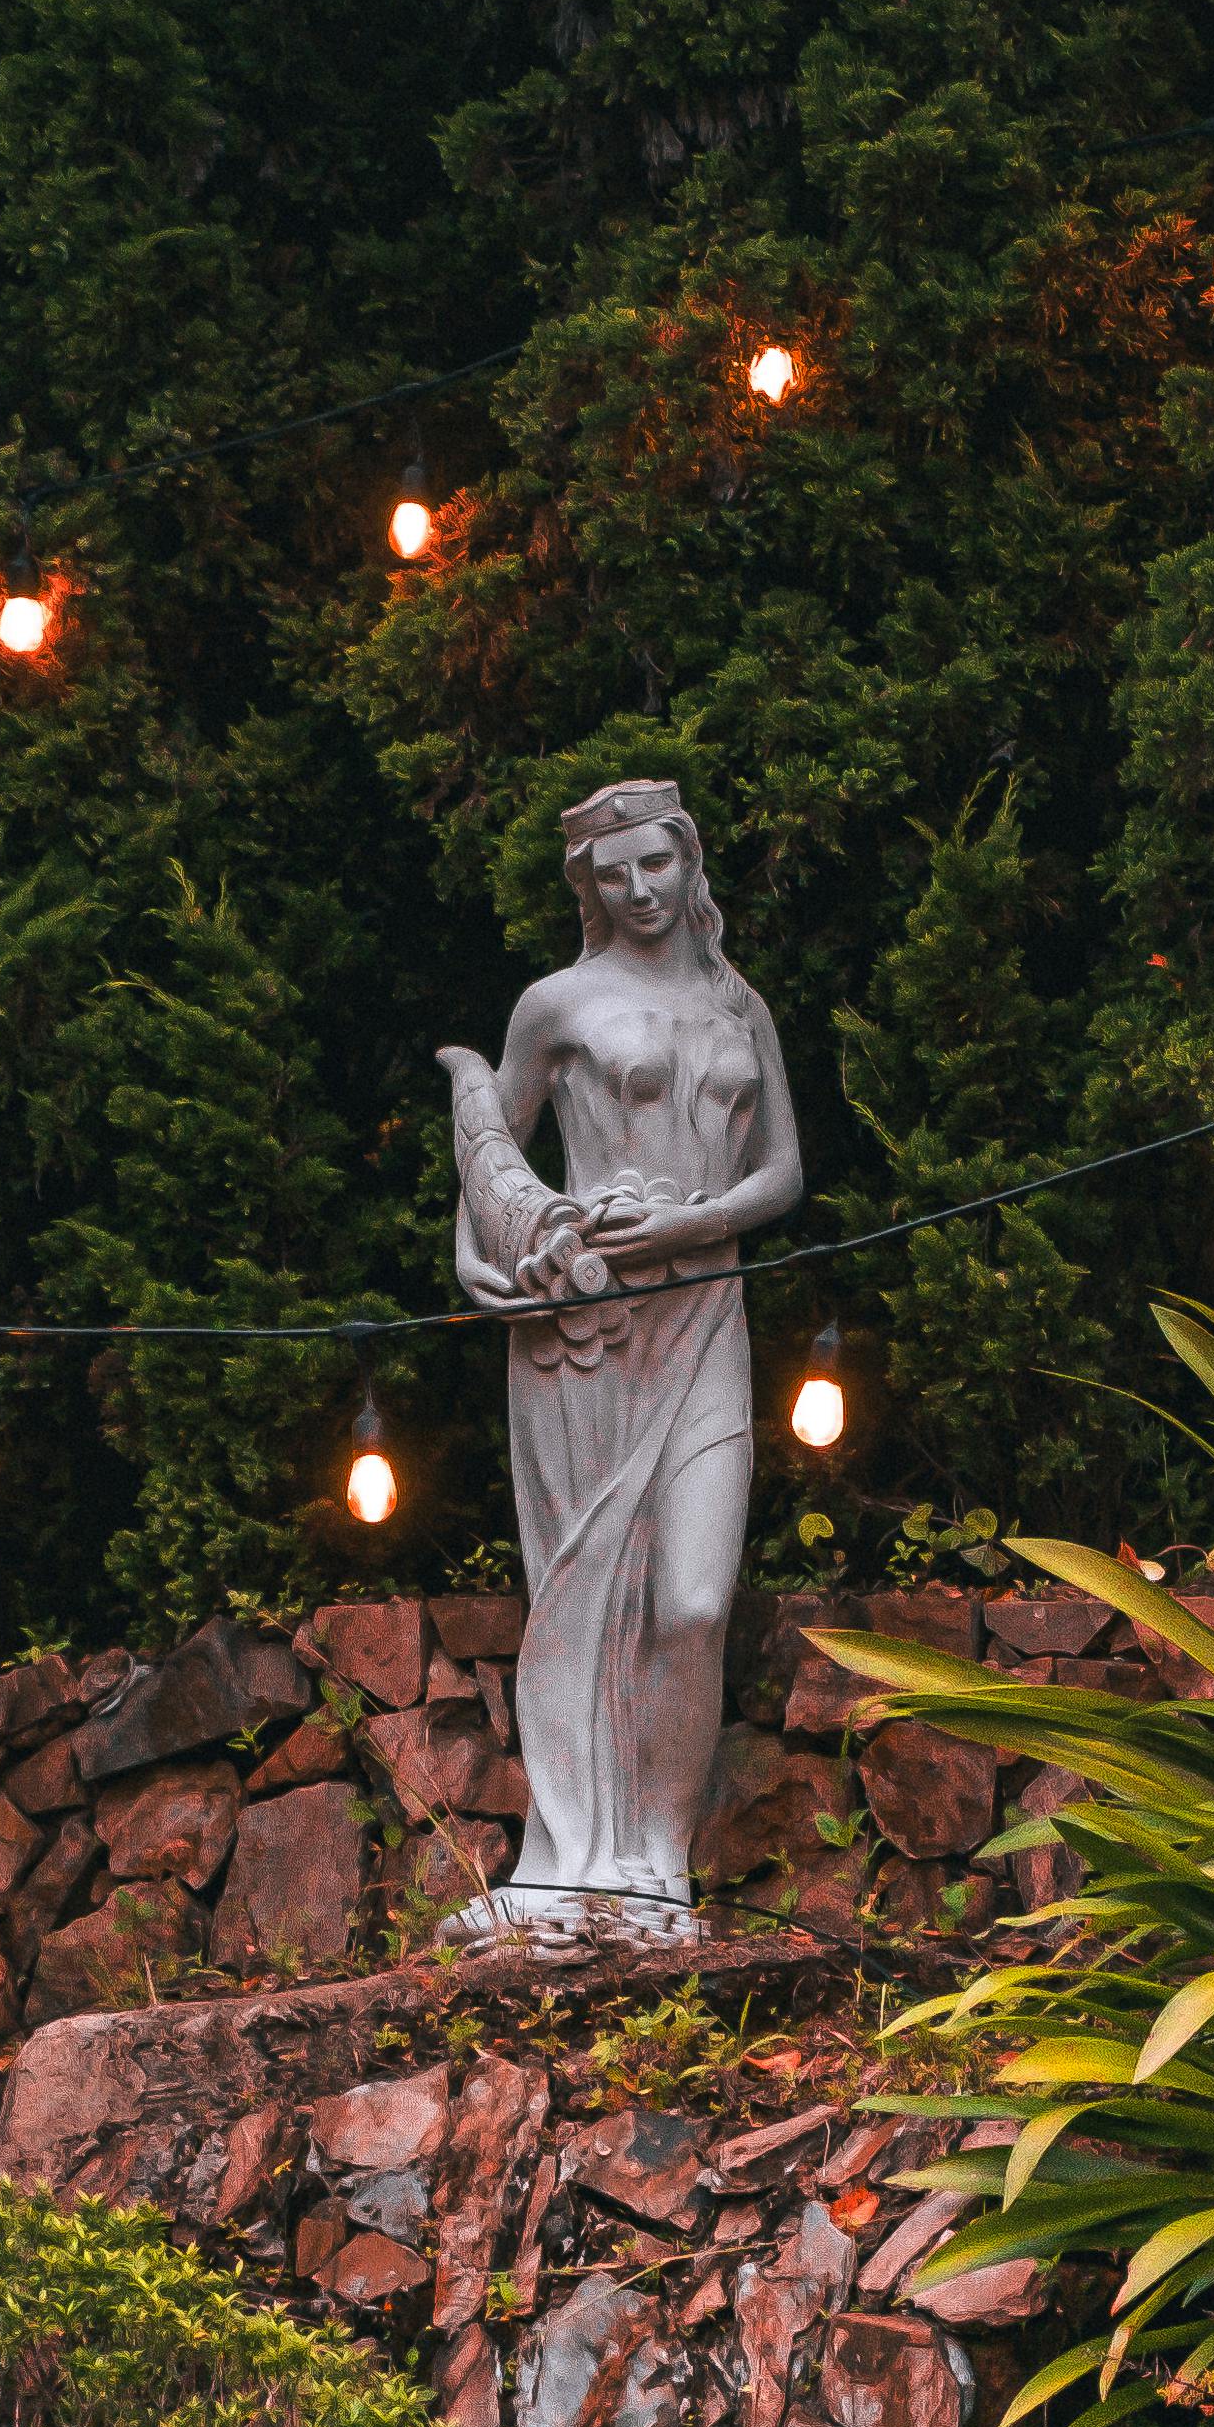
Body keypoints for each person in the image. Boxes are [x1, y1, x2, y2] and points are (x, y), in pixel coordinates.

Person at [431, 778, 806, 1938]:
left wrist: (696, 1226)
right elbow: (493, 1147)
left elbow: (783, 1172)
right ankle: (573, 1858)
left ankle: (657, 1857)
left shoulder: (742, 1008)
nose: (641, 890)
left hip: (704, 1316)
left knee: (692, 1600)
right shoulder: (556, 1001)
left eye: (658, 863)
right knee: (583, 1588)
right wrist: (476, 1261)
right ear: (587, 887)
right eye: (614, 873)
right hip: (579, 1329)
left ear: (692, 862)